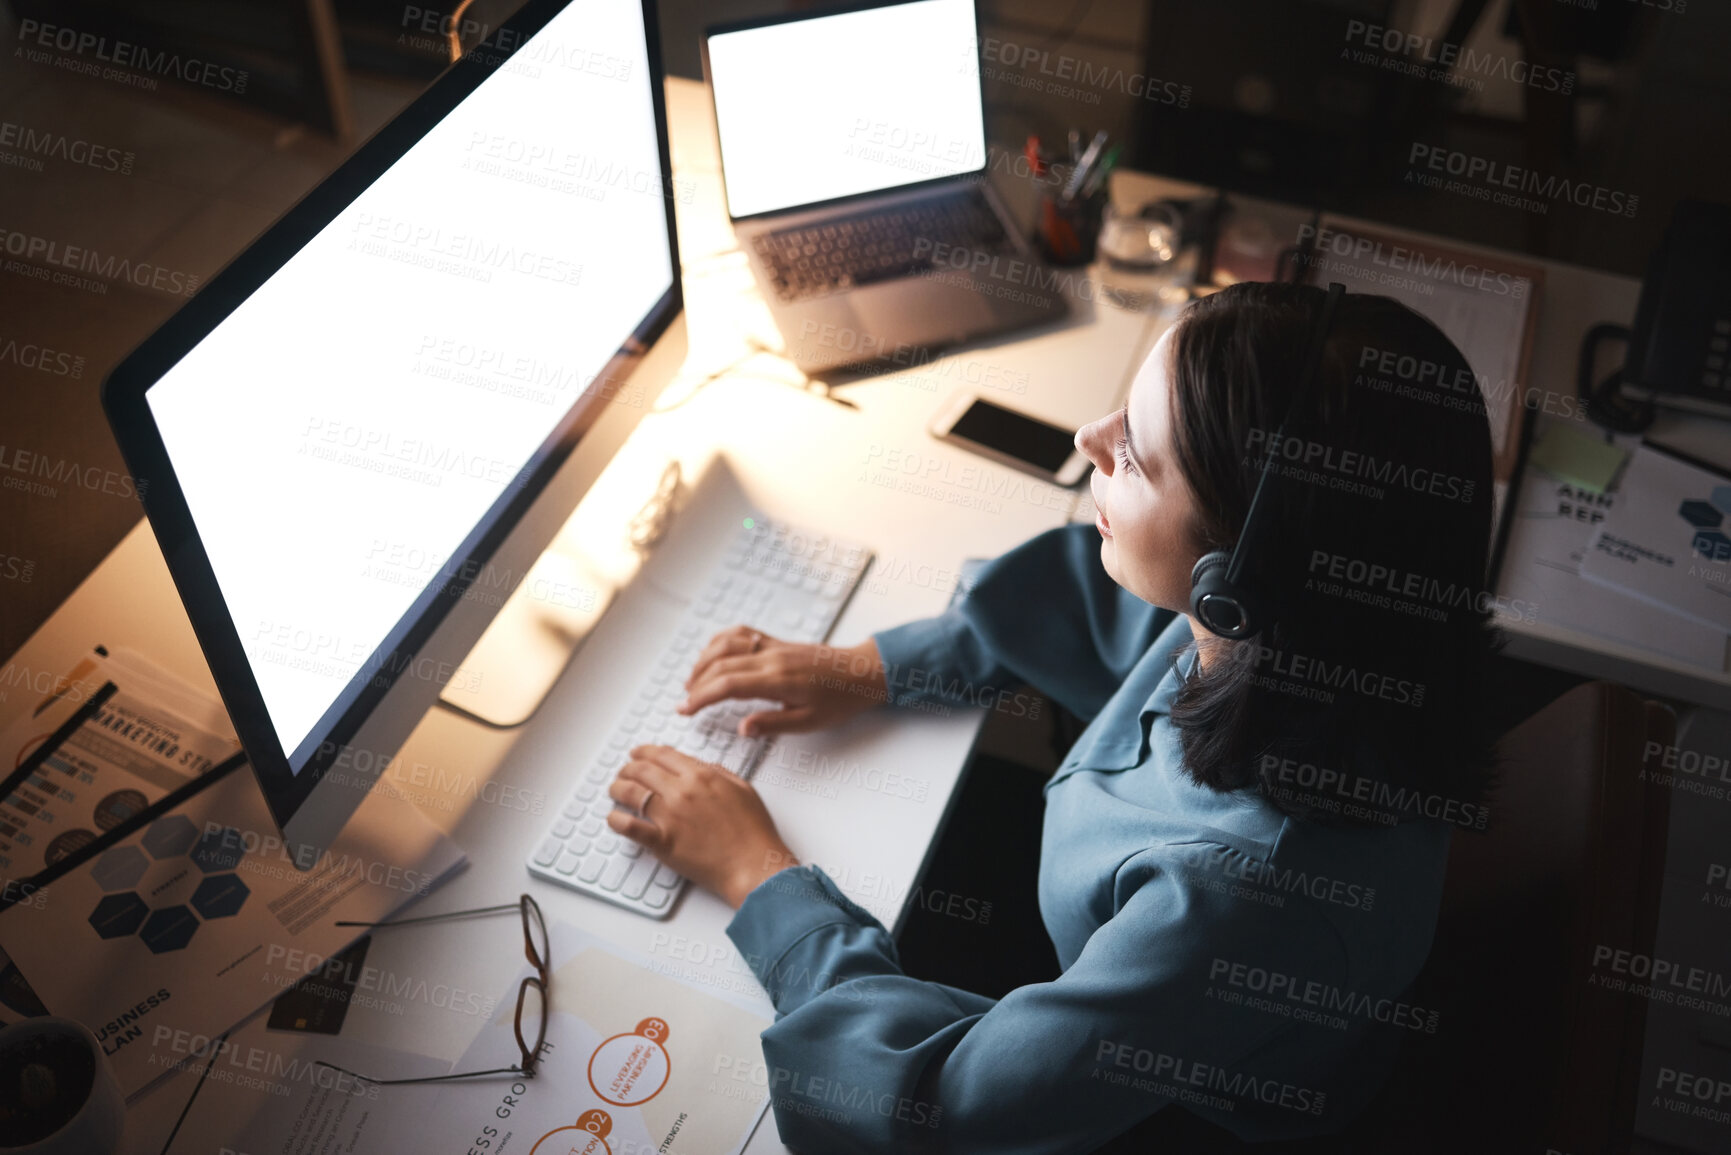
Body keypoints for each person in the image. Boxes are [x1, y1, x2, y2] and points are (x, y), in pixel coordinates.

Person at [604, 282, 1501, 1153]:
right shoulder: (1318, 634)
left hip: (1171, 1116)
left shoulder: (1234, 904)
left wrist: (761, 881)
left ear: (1229, 583)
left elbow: (944, 1106)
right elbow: (1101, 613)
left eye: (1135, 455)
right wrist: (872, 667)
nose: (1088, 438)